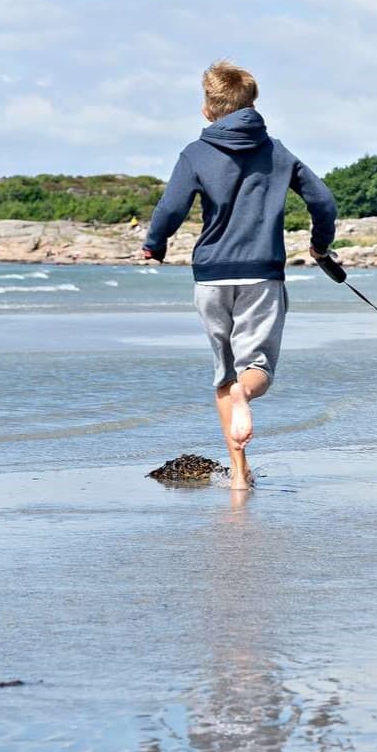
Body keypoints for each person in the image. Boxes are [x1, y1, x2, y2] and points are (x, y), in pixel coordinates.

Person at [143, 60, 337, 489]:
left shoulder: (195, 153)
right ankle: (244, 399)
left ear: (207, 108)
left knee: (224, 374)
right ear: (252, 103)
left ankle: (239, 474)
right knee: (256, 370)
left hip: (210, 276)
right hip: (262, 275)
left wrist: (155, 243)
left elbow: (171, 208)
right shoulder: (276, 151)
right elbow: (322, 200)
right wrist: (320, 244)